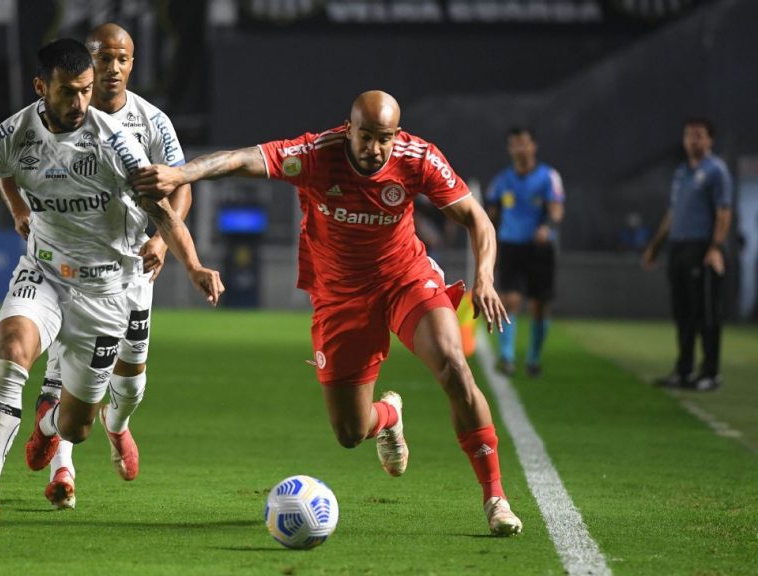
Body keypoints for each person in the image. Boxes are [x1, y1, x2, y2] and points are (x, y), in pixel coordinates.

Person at [132, 90, 523, 536]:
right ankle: (389, 417)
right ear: (348, 128)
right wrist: (179, 174)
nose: (375, 149)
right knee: (350, 432)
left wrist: (485, 278)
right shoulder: (317, 154)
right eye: (366, 137)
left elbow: (477, 218)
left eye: (385, 139)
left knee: (454, 366)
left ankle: (495, 499)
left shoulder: (418, 158)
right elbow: (241, 159)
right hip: (340, 297)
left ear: (397, 135)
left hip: (405, 279)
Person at [0, 38, 223, 531]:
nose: (79, 103)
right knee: (13, 350)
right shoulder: (17, 131)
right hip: (45, 272)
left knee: (77, 424)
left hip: (106, 292)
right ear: (41, 88)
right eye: (68, 92)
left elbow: (164, 211)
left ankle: (49, 424)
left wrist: (193, 264)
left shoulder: (115, 142)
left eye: (85, 91)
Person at [0, 23, 193, 510]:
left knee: (129, 383)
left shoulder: (151, 122)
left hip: (132, 271)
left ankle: (117, 425)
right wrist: (20, 209)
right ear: (85, 63)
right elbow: (6, 162)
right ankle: (64, 465)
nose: (112, 68)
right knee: (69, 370)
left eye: (121, 59)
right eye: (102, 59)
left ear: (132, 63)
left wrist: (162, 242)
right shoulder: (48, 118)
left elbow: (181, 184)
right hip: (70, 269)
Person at [642, 118, 733, 392]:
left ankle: (710, 372)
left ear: (709, 141)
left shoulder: (716, 170)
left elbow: (724, 212)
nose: (693, 140)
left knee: (705, 312)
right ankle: (683, 370)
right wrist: (655, 246)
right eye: (689, 135)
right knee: (682, 312)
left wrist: (715, 247)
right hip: (679, 248)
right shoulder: (682, 172)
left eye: (699, 136)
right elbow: (672, 214)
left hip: (702, 248)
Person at [484, 127, 565, 378]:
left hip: (539, 248)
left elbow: (556, 210)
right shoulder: (501, 181)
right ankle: (507, 357)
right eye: (514, 144)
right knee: (509, 301)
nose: (519, 149)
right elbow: (491, 214)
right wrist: (488, 239)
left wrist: (546, 227)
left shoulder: (548, 177)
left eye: (523, 143)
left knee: (539, 306)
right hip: (510, 246)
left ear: (533, 146)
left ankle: (533, 358)